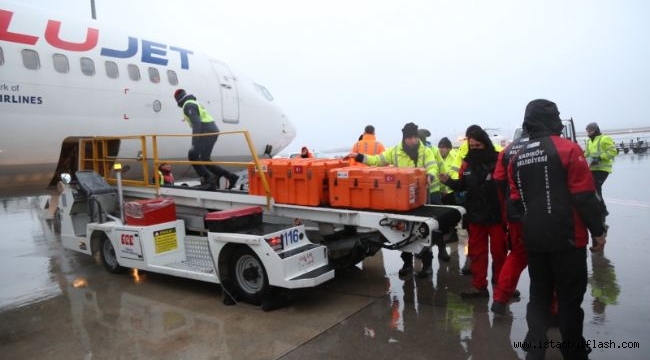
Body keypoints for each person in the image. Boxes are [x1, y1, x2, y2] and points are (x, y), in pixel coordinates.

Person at [509, 99, 606, 360]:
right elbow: (585, 196)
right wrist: (598, 231)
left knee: (539, 295)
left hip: (535, 238)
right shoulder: (569, 150)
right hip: (567, 239)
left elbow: (515, 202)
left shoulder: (517, 157)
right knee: (569, 299)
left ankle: (535, 351)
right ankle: (573, 351)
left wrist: (531, 223)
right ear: (551, 119)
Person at [347, 122, 455, 277]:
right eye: (410, 137)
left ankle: (427, 264)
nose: (413, 140)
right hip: (402, 200)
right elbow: (377, 160)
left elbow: (432, 167)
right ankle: (407, 264)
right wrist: (358, 156)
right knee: (404, 232)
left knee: (424, 232)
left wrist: (430, 176)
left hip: (422, 197)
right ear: (404, 138)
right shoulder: (395, 151)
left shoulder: (426, 151)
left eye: (415, 137)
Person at [440, 127, 507, 298]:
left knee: (500, 253)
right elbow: (462, 185)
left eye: (478, 145)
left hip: (496, 216)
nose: (475, 148)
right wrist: (449, 182)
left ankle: (504, 286)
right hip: (476, 216)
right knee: (477, 253)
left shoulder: (498, 159)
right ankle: (479, 286)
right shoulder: (467, 163)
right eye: (472, 146)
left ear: (485, 143)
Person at [490, 131, 529, 314]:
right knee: (550, 258)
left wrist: (505, 212)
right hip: (548, 214)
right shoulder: (554, 145)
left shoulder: (508, 150)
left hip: (515, 212)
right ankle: (553, 309)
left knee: (517, 254)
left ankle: (500, 298)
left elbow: (499, 181)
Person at [174, 89, 239, 190]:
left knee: (193, 156)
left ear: (178, 100)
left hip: (206, 131)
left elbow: (197, 124)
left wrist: (194, 144)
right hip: (211, 130)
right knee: (205, 159)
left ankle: (209, 181)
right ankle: (230, 176)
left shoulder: (188, 105)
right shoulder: (192, 102)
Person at [584, 122, 617, 219]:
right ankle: (600, 209)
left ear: (596, 130)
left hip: (603, 169)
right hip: (593, 168)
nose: (588, 133)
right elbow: (587, 154)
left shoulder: (605, 138)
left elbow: (613, 152)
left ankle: (602, 210)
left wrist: (600, 157)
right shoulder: (589, 141)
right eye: (587, 131)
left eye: (590, 131)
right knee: (592, 188)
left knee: (595, 188)